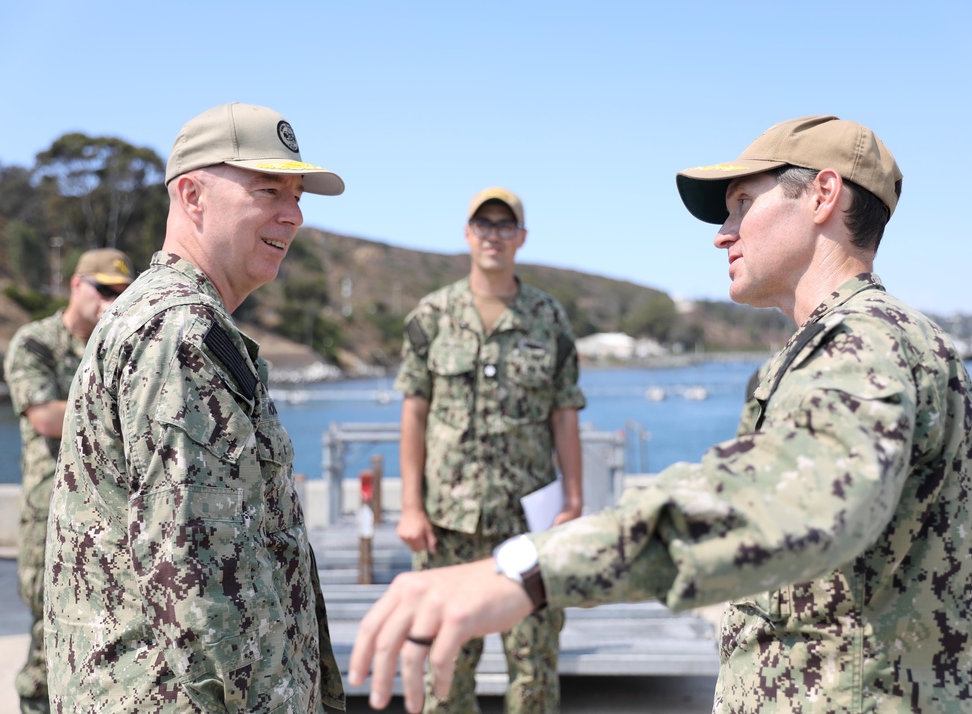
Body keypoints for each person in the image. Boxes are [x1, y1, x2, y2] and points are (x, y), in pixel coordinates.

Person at [349, 116, 972, 713]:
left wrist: (530, 570)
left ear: (823, 195)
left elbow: (794, 501)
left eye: (741, 205)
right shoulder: (864, 341)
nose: (722, 233)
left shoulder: (863, 346)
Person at [44, 102, 347, 713]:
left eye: (297, 195)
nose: (294, 214)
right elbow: (194, 576)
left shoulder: (168, 319)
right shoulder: (179, 333)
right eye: (268, 190)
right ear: (192, 195)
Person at [392, 186, 586, 712]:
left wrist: (574, 499)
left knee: (535, 668)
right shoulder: (432, 315)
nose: (494, 235)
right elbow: (414, 412)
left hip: (530, 525)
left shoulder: (549, 318)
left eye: (505, 226)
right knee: (445, 668)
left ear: (521, 237)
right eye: (484, 224)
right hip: (448, 525)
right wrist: (410, 506)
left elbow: (564, 412)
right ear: (467, 234)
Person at [2, 247, 134, 713]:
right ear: (76, 284)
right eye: (103, 288)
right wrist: (122, 407)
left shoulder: (121, 342)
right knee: (47, 639)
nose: (111, 300)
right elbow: (44, 416)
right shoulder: (36, 342)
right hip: (50, 513)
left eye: (121, 291)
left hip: (110, 513)